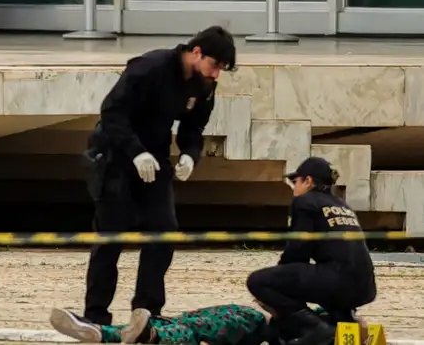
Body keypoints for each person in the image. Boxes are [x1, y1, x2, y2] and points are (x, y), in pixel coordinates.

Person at [81, 26, 237, 325]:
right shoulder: (150, 67)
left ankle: (147, 310)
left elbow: (194, 128)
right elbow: (112, 112)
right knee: (111, 237)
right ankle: (96, 314)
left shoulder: (204, 85)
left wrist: (191, 155)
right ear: (196, 52)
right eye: (215, 65)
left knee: (163, 232)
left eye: (222, 70)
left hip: (156, 158)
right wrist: (135, 151)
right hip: (115, 153)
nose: (216, 74)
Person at [246, 156, 377, 345]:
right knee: (323, 281)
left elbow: (298, 248)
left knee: (258, 281)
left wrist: (278, 283)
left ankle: (315, 327)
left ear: (308, 181)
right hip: (365, 287)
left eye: (295, 181)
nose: (294, 187)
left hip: (338, 280)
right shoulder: (342, 205)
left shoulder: (305, 202)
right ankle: (344, 323)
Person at [51, 304, 270, 345]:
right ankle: (100, 333)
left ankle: (103, 333)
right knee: (184, 325)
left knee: (190, 327)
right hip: (251, 323)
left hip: (255, 322)